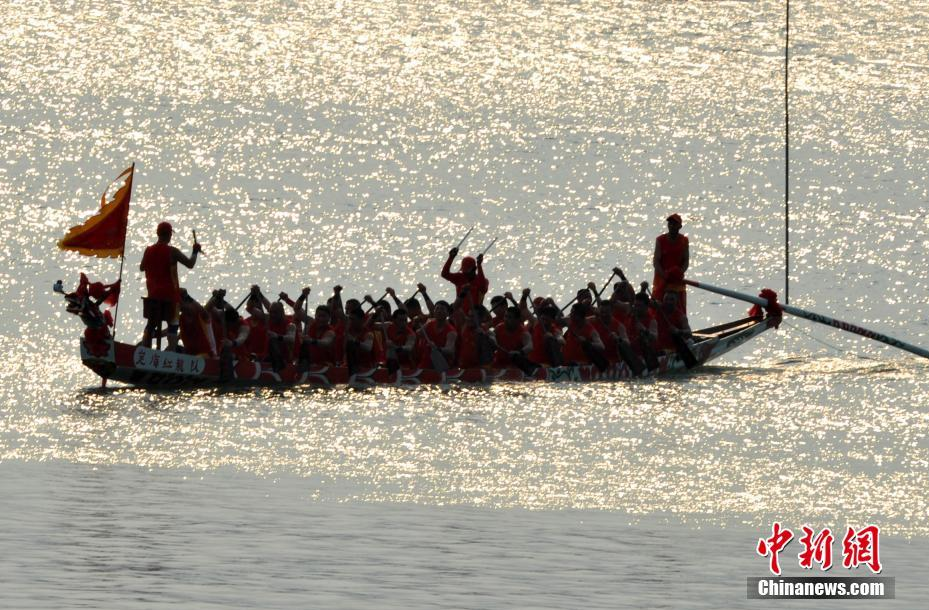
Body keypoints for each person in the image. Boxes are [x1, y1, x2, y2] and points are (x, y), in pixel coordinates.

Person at [139, 221, 201, 351]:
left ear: (157, 234)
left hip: (152, 297)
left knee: (150, 325)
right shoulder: (172, 251)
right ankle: (171, 353)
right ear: (169, 235)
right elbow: (190, 264)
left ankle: (145, 350)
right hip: (170, 298)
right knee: (173, 325)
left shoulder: (148, 250)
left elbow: (141, 267)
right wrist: (195, 252)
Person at [652, 213, 689, 306]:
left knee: (678, 306)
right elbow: (656, 262)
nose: (672, 226)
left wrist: (679, 273)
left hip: (676, 280)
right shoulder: (660, 240)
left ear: (680, 226)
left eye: (674, 224)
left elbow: (686, 261)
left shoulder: (684, 240)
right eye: (670, 224)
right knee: (658, 306)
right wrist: (664, 276)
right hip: (661, 279)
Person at [441, 247, 489, 314]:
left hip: (474, 314)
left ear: (474, 269)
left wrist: (479, 265)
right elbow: (444, 274)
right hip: (460, 315)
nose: (465, 274)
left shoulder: (483, 280)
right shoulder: (460, 277)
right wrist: (451, 257)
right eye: (464, 271)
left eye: (467, 272)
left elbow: (483, 288)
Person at [492, 306, 536, 373]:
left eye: (509, 317)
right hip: (499, 364)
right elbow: (492, 335)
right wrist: (492, 339)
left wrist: (519, 352)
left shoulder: (523, 333)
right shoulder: (499, 328)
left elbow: (530, 346)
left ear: (517, 320)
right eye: (505, 316)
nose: (506, 319)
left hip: (516, 366)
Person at [417, 300, 457, 369]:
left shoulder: (451, 332)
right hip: (424, 365)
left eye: (442, 309)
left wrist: (437, 348)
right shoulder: (429, 324)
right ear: (434, 312)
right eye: (437, 308)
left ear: (447, 313)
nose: (439, 311)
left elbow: (450, 349)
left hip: (441, 366)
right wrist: (417, 322)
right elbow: (418, 334)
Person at [178, 288, 217, 357]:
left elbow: (207, 307)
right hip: (190, 356)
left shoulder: (201, 316)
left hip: (208, 355)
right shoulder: (181, 318)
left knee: (198, 357)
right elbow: (170, 330)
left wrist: (216, 296)